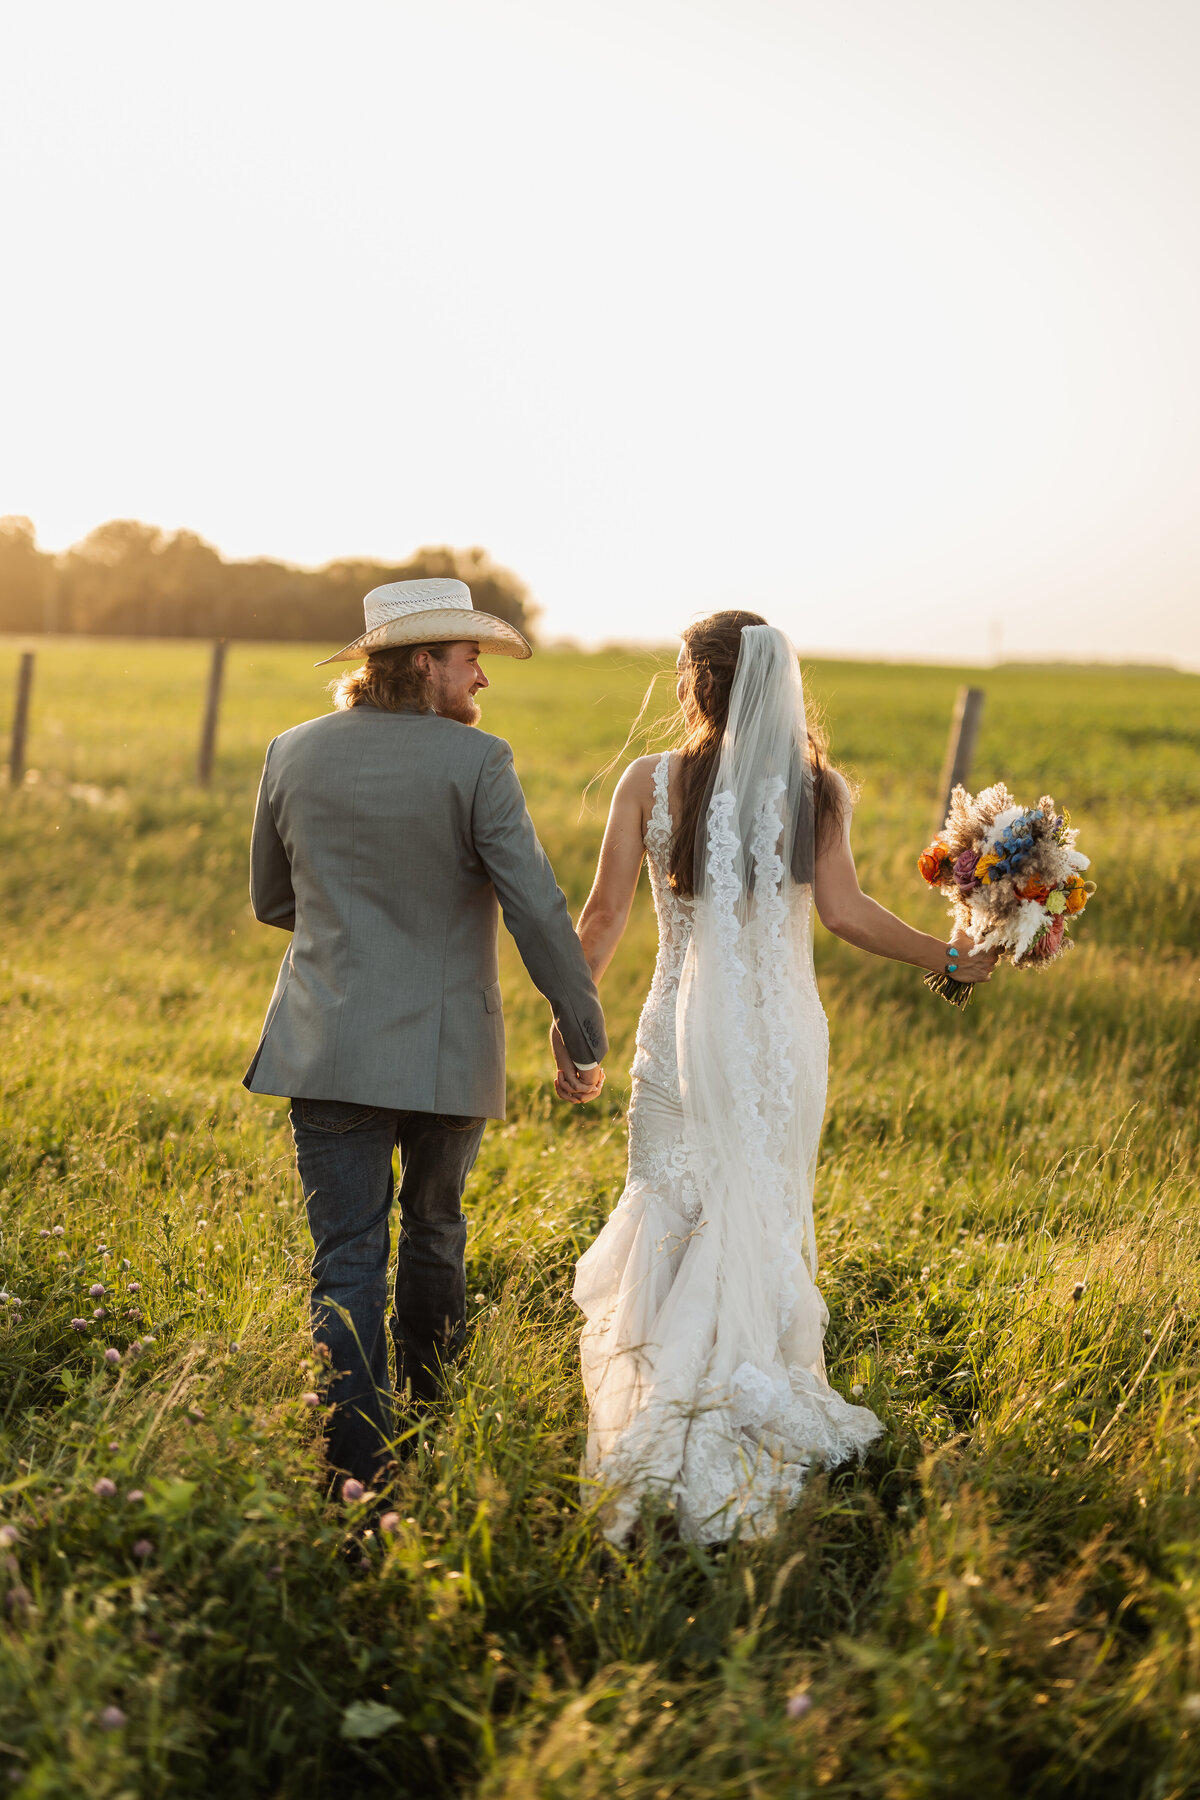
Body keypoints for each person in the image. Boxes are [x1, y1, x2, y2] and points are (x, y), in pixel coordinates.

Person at [571, 611, 997, 1543]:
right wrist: (950, 958)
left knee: (669, 1201)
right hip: (777, 1040)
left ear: (700, 683)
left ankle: (658, 1403)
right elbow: (845, 914)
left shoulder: (649, 783)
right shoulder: (817, 790)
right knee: (753, 1208)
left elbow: (601, 918)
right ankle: (739, 1392)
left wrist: (573, 1023)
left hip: (676, 1036)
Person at [244, 577, 607, 1495]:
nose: (482, 674)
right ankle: (434, 1422)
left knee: (346, 1260)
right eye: (469, 656)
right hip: (447, 1054)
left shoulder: (290, 752)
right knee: (435, 1231)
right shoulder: (478, 763)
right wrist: (581, 1026)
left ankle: (354, 1470)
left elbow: (271, 902)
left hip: (325, 1044)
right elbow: (535, 904)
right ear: (421, 663)